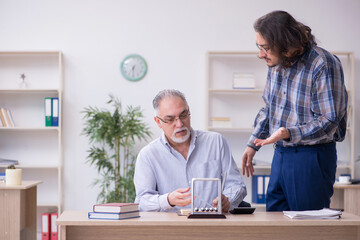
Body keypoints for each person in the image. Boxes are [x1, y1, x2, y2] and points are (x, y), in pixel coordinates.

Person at [241, 11, 348, 212]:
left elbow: (330, 119)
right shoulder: (276, 62)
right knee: (275, 221)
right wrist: (252, 144)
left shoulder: (322, 63)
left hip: (311, 157)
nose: (260, 54)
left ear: (285, 44)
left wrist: (290, 132)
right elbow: (269, 108)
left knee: (307, 225)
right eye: (259, 47)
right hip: (281, 154)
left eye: (266, 48)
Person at [134, 89, 247, 212]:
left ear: (189, 112)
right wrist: (168, 200)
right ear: (158, 122)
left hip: (213, 224)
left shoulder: (216, 141)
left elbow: (236, 185)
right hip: (171, 227)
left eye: (183, 115)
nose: (179, 124)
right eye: (170, 119)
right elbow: (141, 202)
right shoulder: (148, 155)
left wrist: (228, 201)